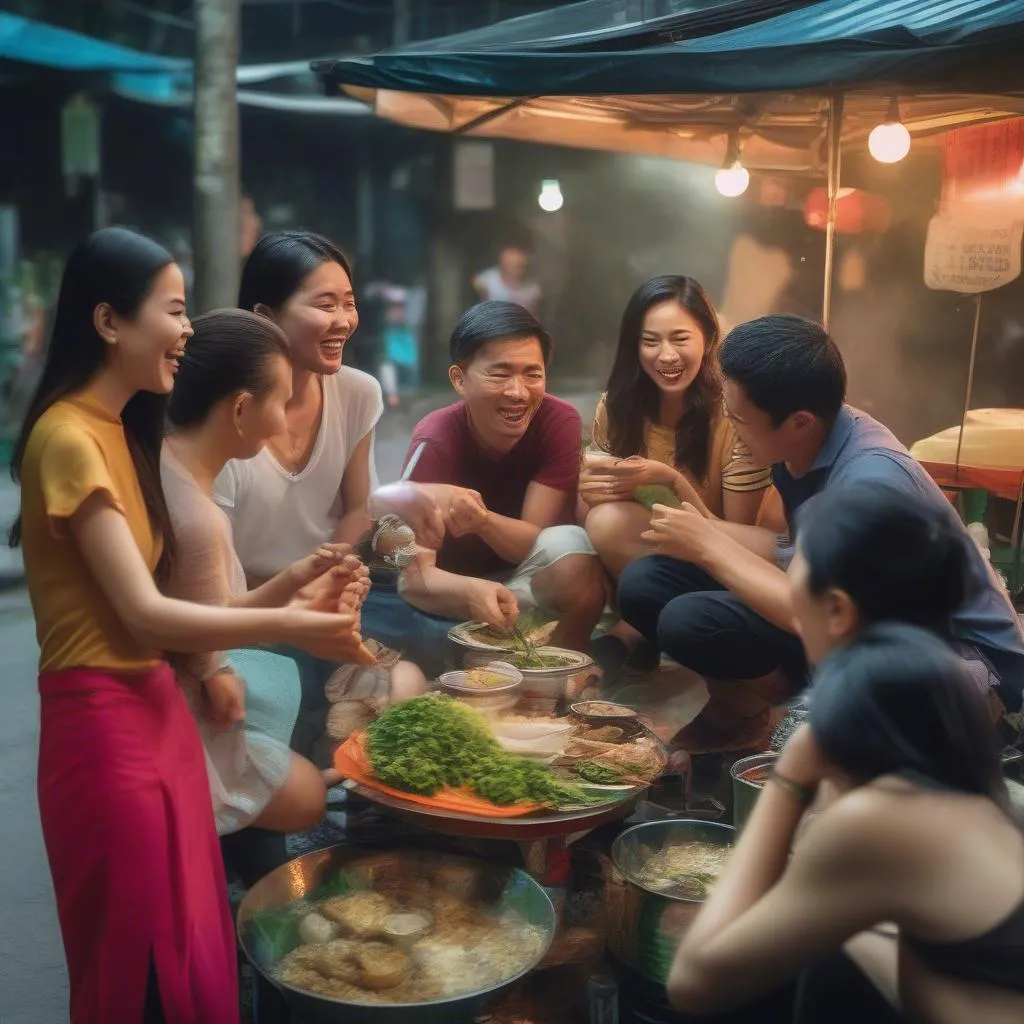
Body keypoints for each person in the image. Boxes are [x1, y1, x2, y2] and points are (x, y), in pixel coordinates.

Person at [8, 228, 363, 1024]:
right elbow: (142, 614)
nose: (189, 330)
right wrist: (295, 627)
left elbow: (172, 626)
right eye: (174, 310)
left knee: (191, 949)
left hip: (155, 716)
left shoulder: (121, 434)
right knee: (143, 970)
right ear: (109, 323)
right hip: (106, 734)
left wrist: (290, 595)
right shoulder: (68, 435)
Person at [622, 314, 1024, 753]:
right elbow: (794, 554)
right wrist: (686, 502)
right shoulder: (811, 437)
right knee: (649, 582)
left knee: (693, 618)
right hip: (851, 619)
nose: (731, 427)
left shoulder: (869, 481)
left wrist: (709, 547)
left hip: (954, 662)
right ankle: (741, 711)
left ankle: (795, 714)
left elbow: (813, 612)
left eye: (739, 418)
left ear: (799, 421)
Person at [667, 625, 1024, 1024]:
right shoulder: (996, 800)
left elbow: (694, 984)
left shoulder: (877, 821)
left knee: (773, 978)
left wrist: (789, 778)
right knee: (828, 945)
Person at [162, 308, 376, 839]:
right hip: (190, 716)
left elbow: (216, 611)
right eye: (280, 403)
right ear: (240, 409)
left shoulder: (172, 467)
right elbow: (206, 634)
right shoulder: (197, 515)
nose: (285, 421)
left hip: (209, 683)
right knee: (305, 799)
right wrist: (298, 621)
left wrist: (296, 578)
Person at [215, 231, 428, 746]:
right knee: (300, 704)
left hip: (324, 588)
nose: (344, 321)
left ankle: (364, 806)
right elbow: (211, 575)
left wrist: (337, 577)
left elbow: (359, 506)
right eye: (325, 304)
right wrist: (299, 595)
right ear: (266, 315)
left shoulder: (357, 391)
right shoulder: (224, 413)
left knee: (425, 654)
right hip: (242, 607)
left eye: (350, 303)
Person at [580, 276, 771, 679]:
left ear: (708, 337)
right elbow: (596, 506)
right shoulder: (616, 407)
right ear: (634, 345)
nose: (666, 356)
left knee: (609, 522)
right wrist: (589, 489)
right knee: (597, 516)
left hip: (727, 563)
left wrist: (670, 481)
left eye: (680, 339)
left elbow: (737, 537)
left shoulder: (733, 414)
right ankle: (638, 622)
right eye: (651, 341)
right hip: (653, 561)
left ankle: (643, 629)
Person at [400, 300, 607, 651]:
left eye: (532, 373)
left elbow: (532, 542)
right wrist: (469, 592)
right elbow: (413, 579)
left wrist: (481, 520)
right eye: (499, 373)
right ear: (459, 379)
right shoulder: (435, 440)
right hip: (451, 588)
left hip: (523, 581)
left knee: (573, 546)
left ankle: (563, 672)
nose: (517, 392)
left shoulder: (559, 421)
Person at [473, 244, 542, 317]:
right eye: (511, 264)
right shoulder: (486, 280)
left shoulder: (532, 289)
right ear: (502, 263)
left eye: (519, 265)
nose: (516, 269)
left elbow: (534, 316)